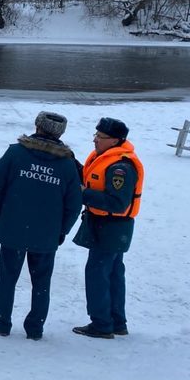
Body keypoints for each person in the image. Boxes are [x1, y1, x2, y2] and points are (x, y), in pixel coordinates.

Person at [0, 111, 82, 340]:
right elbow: (74, 203)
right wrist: (62, 230)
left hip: (13, 227)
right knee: (41, 282)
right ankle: (35, 328)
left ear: (37, 126)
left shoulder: (16, 153)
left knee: (7, 278)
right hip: (46, 233)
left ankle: (1, 323)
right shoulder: (67, 164)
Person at [72, 117, 145, 339]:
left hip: (111, 227)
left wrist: (83, 194)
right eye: (95, 135)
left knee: (98, 273)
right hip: (108, 226)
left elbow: (117, 203)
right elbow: (92, 176)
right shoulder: (107, 158)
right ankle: (116, 322)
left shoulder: (121, 168)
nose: (95, 139)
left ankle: (102, 324)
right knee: (112, 273)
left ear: (114, 140)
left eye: (100, 137)